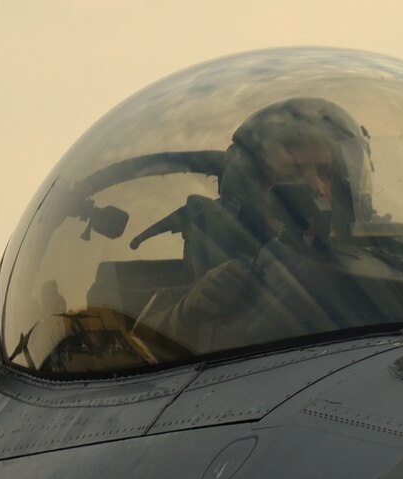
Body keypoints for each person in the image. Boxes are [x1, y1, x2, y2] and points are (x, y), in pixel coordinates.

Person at [143, 97, 376, 354]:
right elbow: (135, 348)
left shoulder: (381, 262)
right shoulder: (212, 283)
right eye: (291, 175)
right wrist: (185, 315)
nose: (316, 188)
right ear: (253, 192)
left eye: (327, 174)